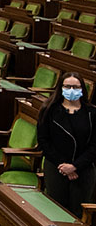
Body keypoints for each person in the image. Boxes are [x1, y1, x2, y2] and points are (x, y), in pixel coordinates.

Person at [37, 72, 96, 218]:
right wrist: (63, 165)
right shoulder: (49, 110)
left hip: (84, 170)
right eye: (67, 86)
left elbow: (94, 146)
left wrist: (74, 166)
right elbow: (43, 141)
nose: (71, 90)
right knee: (55, 212)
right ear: (60, 88)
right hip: (56, 167)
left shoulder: (92, 113)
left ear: (82, 89)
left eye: (76, 87)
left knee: (77, 214)